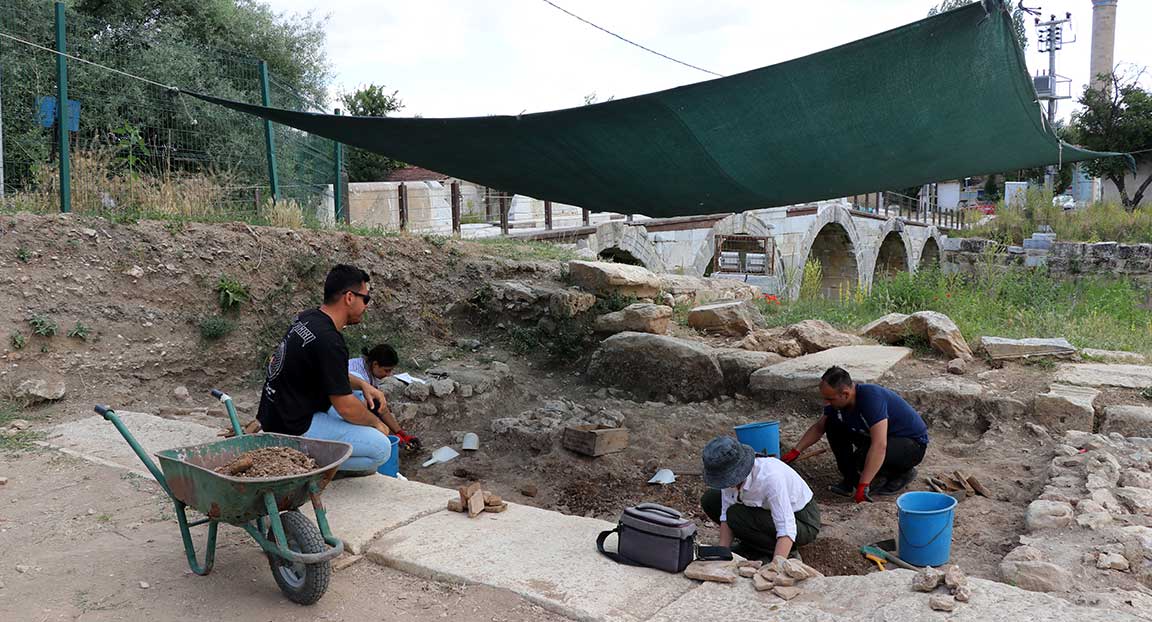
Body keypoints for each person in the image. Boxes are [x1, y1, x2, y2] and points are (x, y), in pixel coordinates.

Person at [256, 264, 418, 474]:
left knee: (362, 397)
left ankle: (312, 453)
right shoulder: (330, 341)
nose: (367, 305)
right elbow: (346, 408)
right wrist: (377, 424)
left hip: (277, 413)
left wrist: (362, 384)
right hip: (292, 426)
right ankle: (302, 462)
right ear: (349, 297)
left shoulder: (308, 318)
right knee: (380, 448)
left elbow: (327, 372)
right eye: (365, 299)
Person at [782, 366, 928, 503]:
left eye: (830, 399)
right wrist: (796, 450)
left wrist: (864, 485)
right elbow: (819, 427)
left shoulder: (871, 398)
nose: (826, 402)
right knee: (832, 425)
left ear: (845, 393)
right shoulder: (838, 404)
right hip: (882, 439)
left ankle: (901, 473)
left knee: (863, 458)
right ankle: (850, 480)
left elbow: (879, 445)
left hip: (912, 445)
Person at [700, 436, 820, 561]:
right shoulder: (728, 478)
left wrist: (777, 566)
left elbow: (786, 527)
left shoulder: (771, 478)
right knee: (711, 499)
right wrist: (722, 553)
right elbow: (725, 514)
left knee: (736, 515)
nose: (726, 483)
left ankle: (784, 552)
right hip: (765, 511)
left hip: (802, 520)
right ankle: (752, 546)